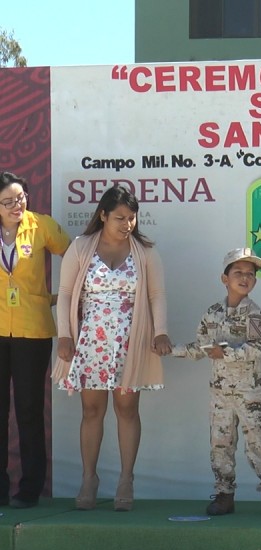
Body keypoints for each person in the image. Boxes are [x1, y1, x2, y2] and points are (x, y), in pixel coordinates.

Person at [52, 184, 172, 512]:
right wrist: (65, 336)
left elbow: (157, 295)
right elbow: (64, 294)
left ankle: (126, 479)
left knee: (127, 409)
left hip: (130, 341)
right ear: (103, 215)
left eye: (132, 218)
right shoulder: (81, 247)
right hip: (90, 339)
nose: (127, 224)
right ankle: (89, 479)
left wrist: (160, 332)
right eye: (120, 217)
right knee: (91, 410)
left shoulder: (145, 251)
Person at [171, 248, 261, 517]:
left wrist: (224, 352)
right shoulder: (212, 314)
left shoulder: (256, 315)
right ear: (224, 278)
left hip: (249, 393)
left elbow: (256, 348)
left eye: (250, 274)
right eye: (237, 272)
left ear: (255, 282)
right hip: (221, 394)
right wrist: (171, 349)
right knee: (220, 443)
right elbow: (200, 348)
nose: (244, 278)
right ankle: (224, 494)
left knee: (258, 443)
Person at [0, 172, 71, 509]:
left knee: (28, 411)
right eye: (8, 201)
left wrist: (58, 297)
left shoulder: (42, 226)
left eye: (21, 196)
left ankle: (29, 489)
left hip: (33, 331)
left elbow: (74, 258)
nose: (17, 205)